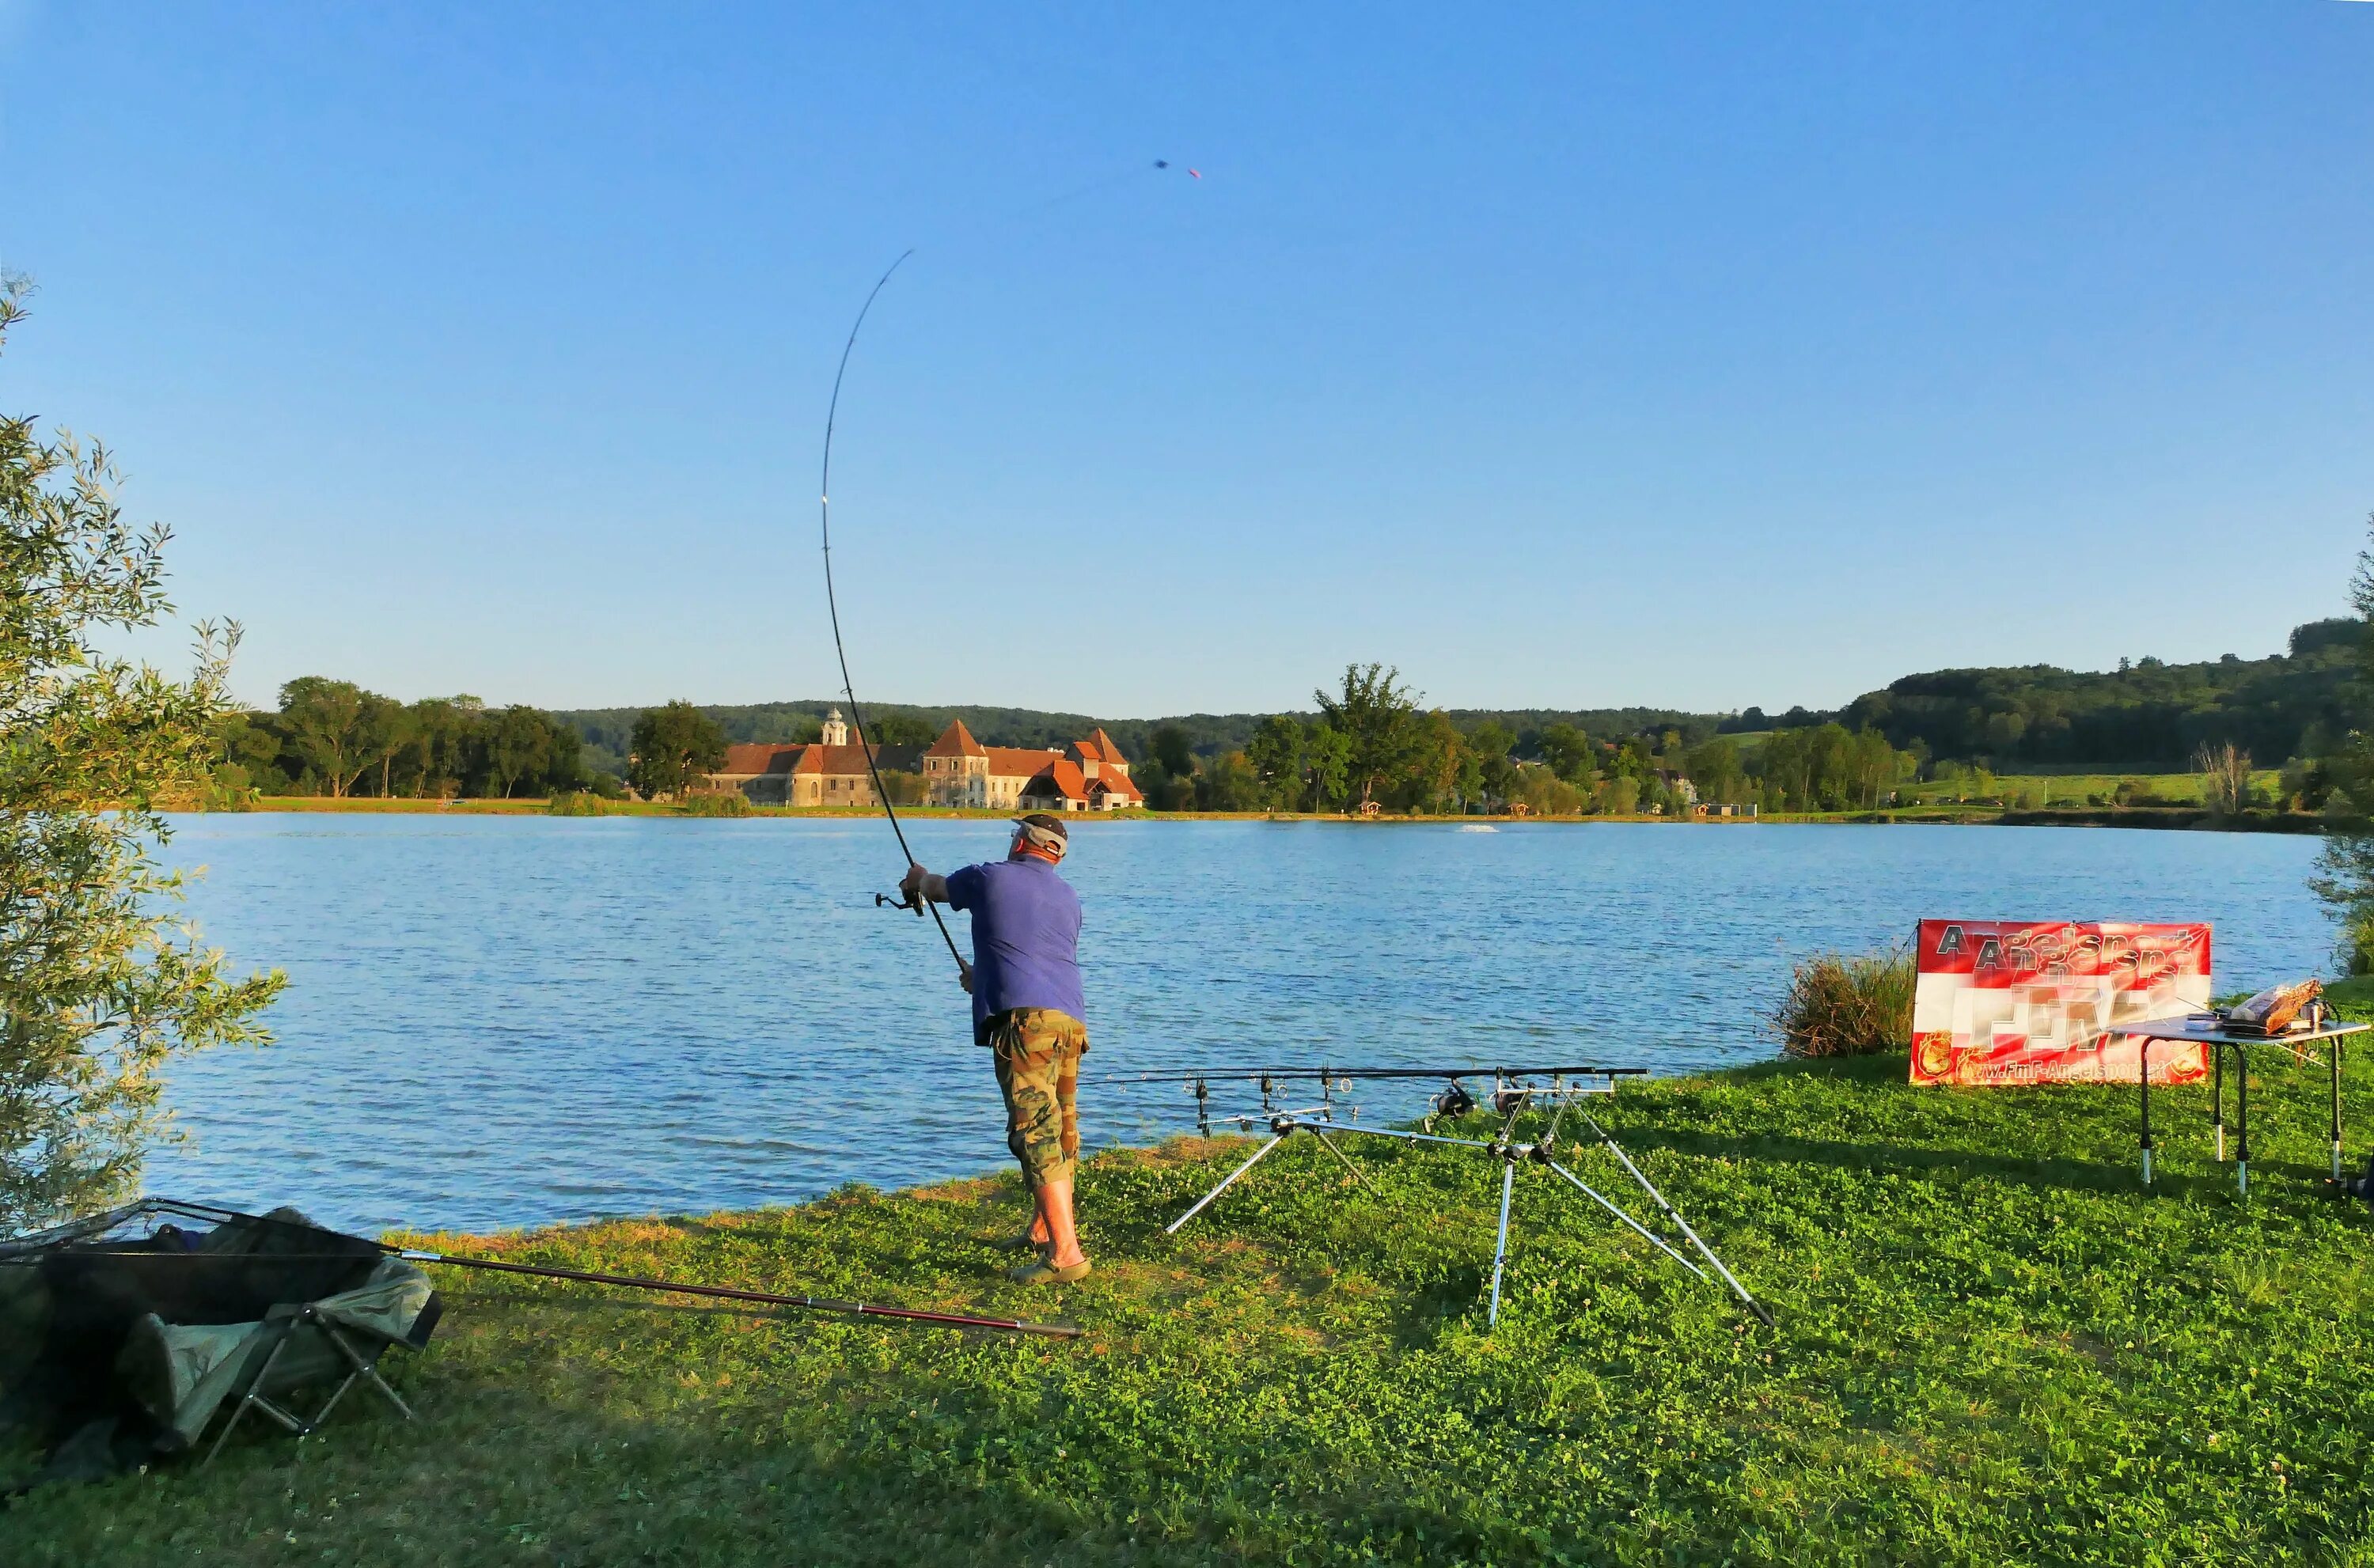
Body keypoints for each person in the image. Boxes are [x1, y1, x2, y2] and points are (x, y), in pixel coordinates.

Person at [901, 813, 1090, 1285]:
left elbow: (940, 888)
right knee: (1062, 1122)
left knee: (1035, 1129)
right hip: (1069, 1020)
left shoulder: (991, 875)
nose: (1010, 840)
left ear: (1024, 842)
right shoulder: (1068, 897)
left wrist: (917, 878)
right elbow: (1032, 952)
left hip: (1026, 1024)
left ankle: (1066, 1254)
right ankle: (1044, 1229)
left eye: (1014, 834)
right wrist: (982, 980)